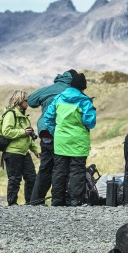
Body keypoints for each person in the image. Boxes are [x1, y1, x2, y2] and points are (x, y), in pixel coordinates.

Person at [41, 72, 96, 206]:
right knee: (77, 170)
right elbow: (90, 122)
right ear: (83, 87)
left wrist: (56, 132)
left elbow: (47, 117)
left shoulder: (59, 98)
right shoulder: (84, 101)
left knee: (59, 170)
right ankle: (75, 200)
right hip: (78, 142)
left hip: (60, 142)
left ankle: (57, 200)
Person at [26, 70, 77, 205]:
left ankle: (36, 201)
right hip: (63, 133)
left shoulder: (48, 89)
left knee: (45, 167)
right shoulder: (72, 91)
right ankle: (58, 200)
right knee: (62, 166)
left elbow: (31, 100)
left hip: (46, 132)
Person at [0, 90, 39, 206]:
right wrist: (23, 132)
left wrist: (36, 151)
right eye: (26, 100)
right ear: (19, 101)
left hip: (24, 152)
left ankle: (31, 202)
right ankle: (12, 204)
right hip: (12, 153)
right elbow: (6, 132)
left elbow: (29, 137)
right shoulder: (10, 114)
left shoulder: (24, 116)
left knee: (32, 177)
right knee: (15, 179)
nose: (28, 103)